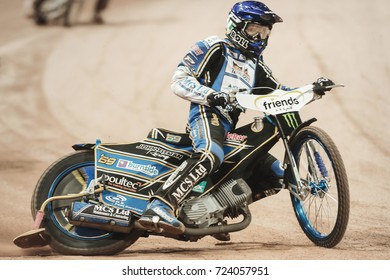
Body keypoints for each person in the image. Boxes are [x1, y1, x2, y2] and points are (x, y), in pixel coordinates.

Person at [138, 1, 333, 236]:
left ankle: (213, 211)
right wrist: (211, 96)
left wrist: (312, 90)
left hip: (229, 126)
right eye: (254, 29)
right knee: (212, 153)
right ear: (236, 26)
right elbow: (179, 80)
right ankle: (159, 205)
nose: (260, 37)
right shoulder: (214, 47)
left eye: (265, 31)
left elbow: (279, 93)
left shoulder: (255, 64)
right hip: (205, 114)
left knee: (275, 175)